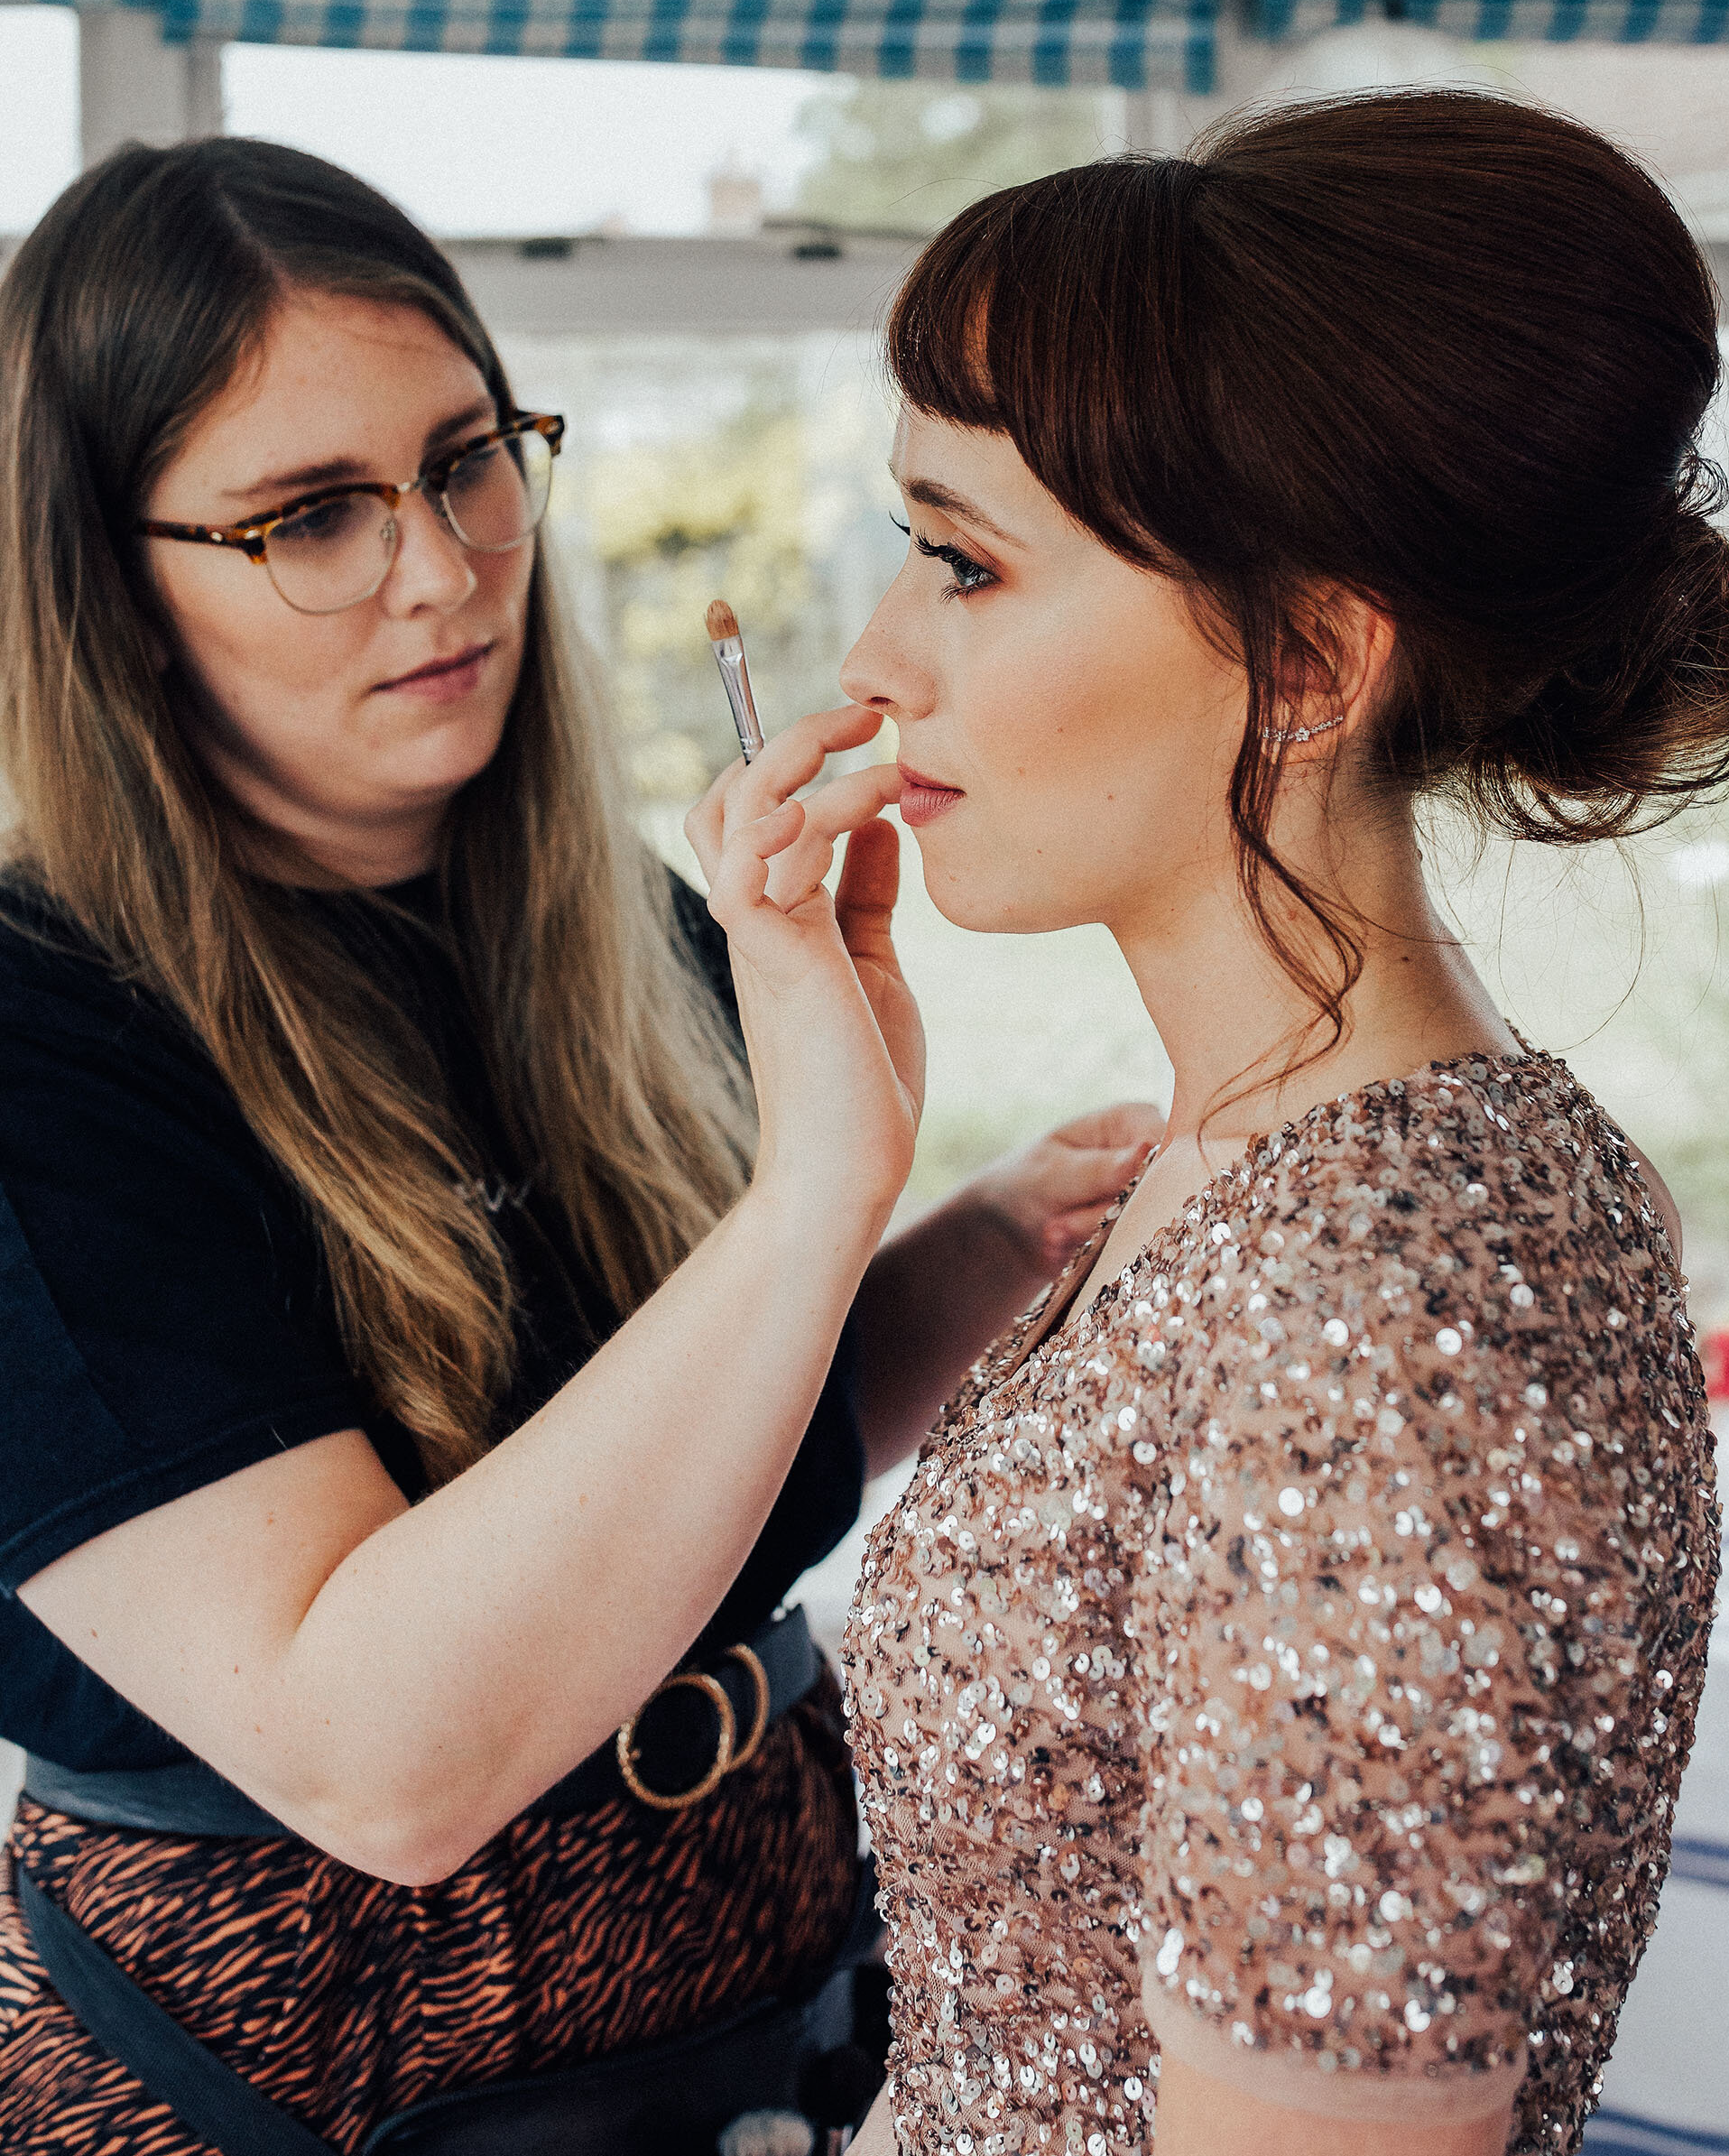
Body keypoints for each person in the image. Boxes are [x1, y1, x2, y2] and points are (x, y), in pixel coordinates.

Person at [0, 137, 1157, 2154]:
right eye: (310, 518)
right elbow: (386, 1757)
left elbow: (671, 1460)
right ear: (107, 578)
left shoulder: (639, 928)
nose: (444, 565)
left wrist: (986, 1243)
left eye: (465, 457)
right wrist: (818, 1184)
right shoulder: (43, 1040)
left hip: (762, 2039)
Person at [689, 91, 1729, 2156]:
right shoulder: (1268, 1176)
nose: (870, 660)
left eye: (960, 560)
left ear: (1302, 664)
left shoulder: (1389, 1303)